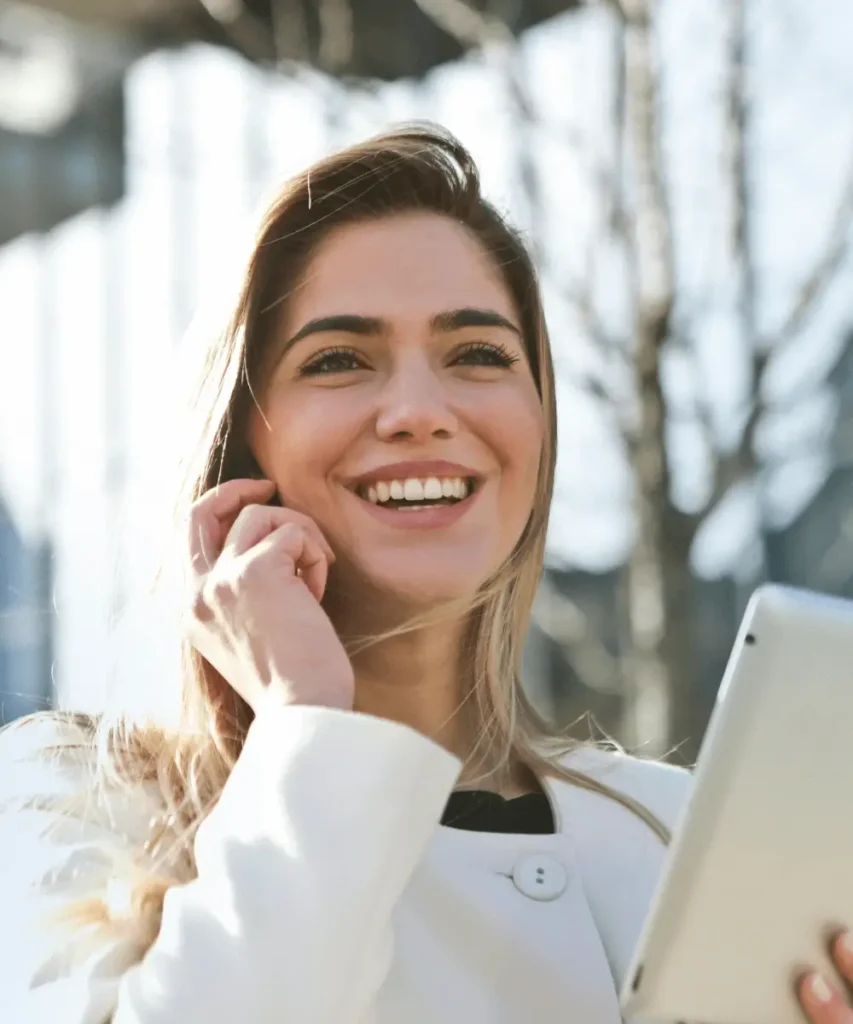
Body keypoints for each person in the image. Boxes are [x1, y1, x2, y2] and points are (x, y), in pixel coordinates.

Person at [0, 124, 848, 1024]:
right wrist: (307, 721)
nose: (417, 411)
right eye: (338, 359)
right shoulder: (68, 804)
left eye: (477, 354)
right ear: (243, 442)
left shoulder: (683, 833)